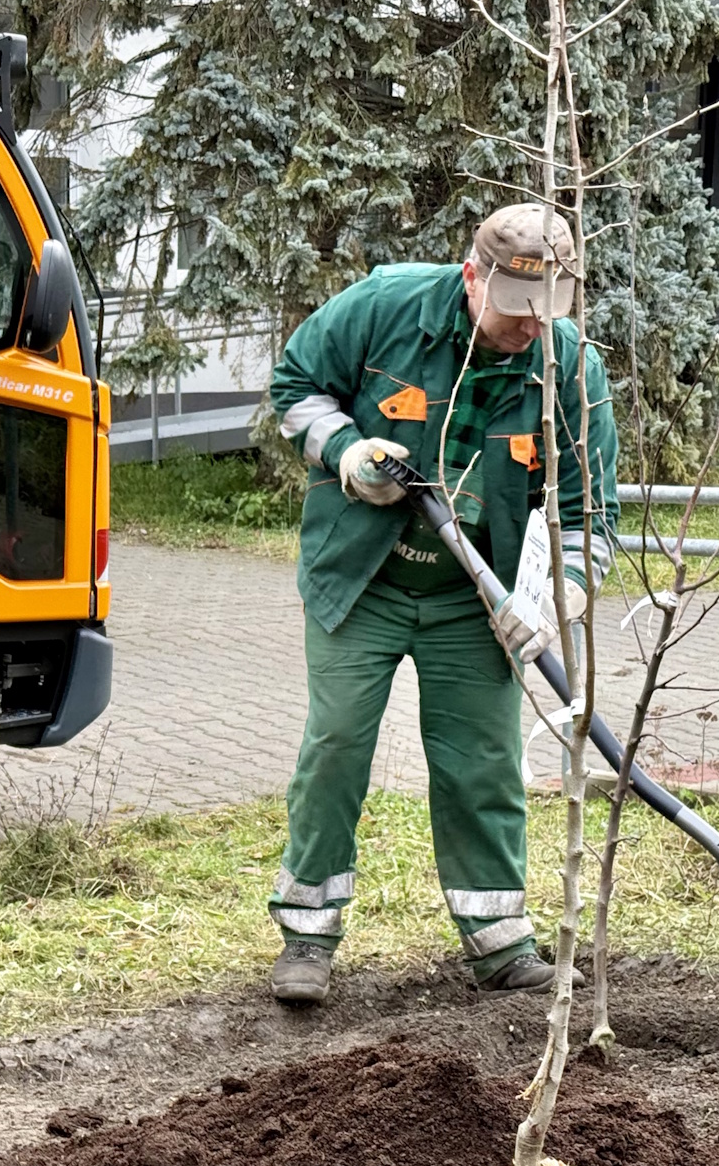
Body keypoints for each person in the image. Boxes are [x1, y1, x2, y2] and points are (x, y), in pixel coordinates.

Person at [265, 202, 619, 1004]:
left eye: (547, 313)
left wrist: (555, 593)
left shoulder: (569, 366)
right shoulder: (385, 305)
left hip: (474, 601)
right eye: (515, 310)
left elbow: (593, 511)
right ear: (472, 278)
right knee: (337, 748)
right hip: (363, 580)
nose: (532, 329)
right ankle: (307, 938)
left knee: (481, 766)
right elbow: (296, 386)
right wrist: (347, 451)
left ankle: (500, 946)